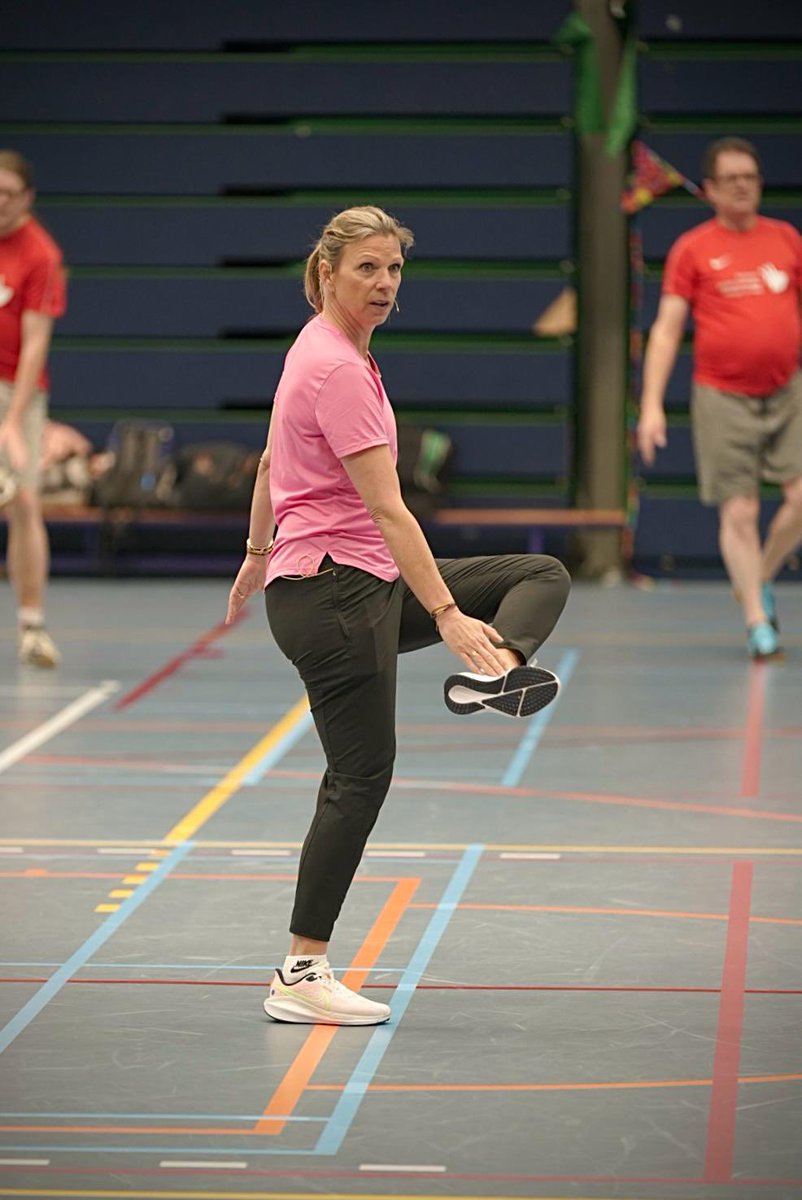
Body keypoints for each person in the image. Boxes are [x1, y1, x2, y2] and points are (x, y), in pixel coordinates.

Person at [225, 205, 570, 1026]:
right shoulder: (335, 368)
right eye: (366, 271)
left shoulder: (327, 347)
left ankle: (500, 670)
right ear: (327, 273)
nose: (383, 285)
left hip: (351, 581)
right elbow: (389, 509)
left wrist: (251, 553)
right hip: (335, 595)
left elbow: (276, 457)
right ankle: (301, 972)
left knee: (540, 574)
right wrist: (445, 612)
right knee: (359, 777)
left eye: (394, 270)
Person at [637, 137, 802, 660]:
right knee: (741, 510)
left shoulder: (786, 240)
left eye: (750, 177)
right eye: (730, 179)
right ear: (709, 190)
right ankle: (758, 622)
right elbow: (666, 331)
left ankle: (757, 579)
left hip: (786, 390)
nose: (742, 186)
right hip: (721, 396)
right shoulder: (692, 248)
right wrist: (651, 405)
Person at [0, 150, 67, 667]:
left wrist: (12, 424)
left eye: (9, 194)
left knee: (23, 505)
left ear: (27, 198)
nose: (0, 203)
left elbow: (35, 345)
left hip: (15, 390)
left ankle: (32, 627)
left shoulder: (40, 254)